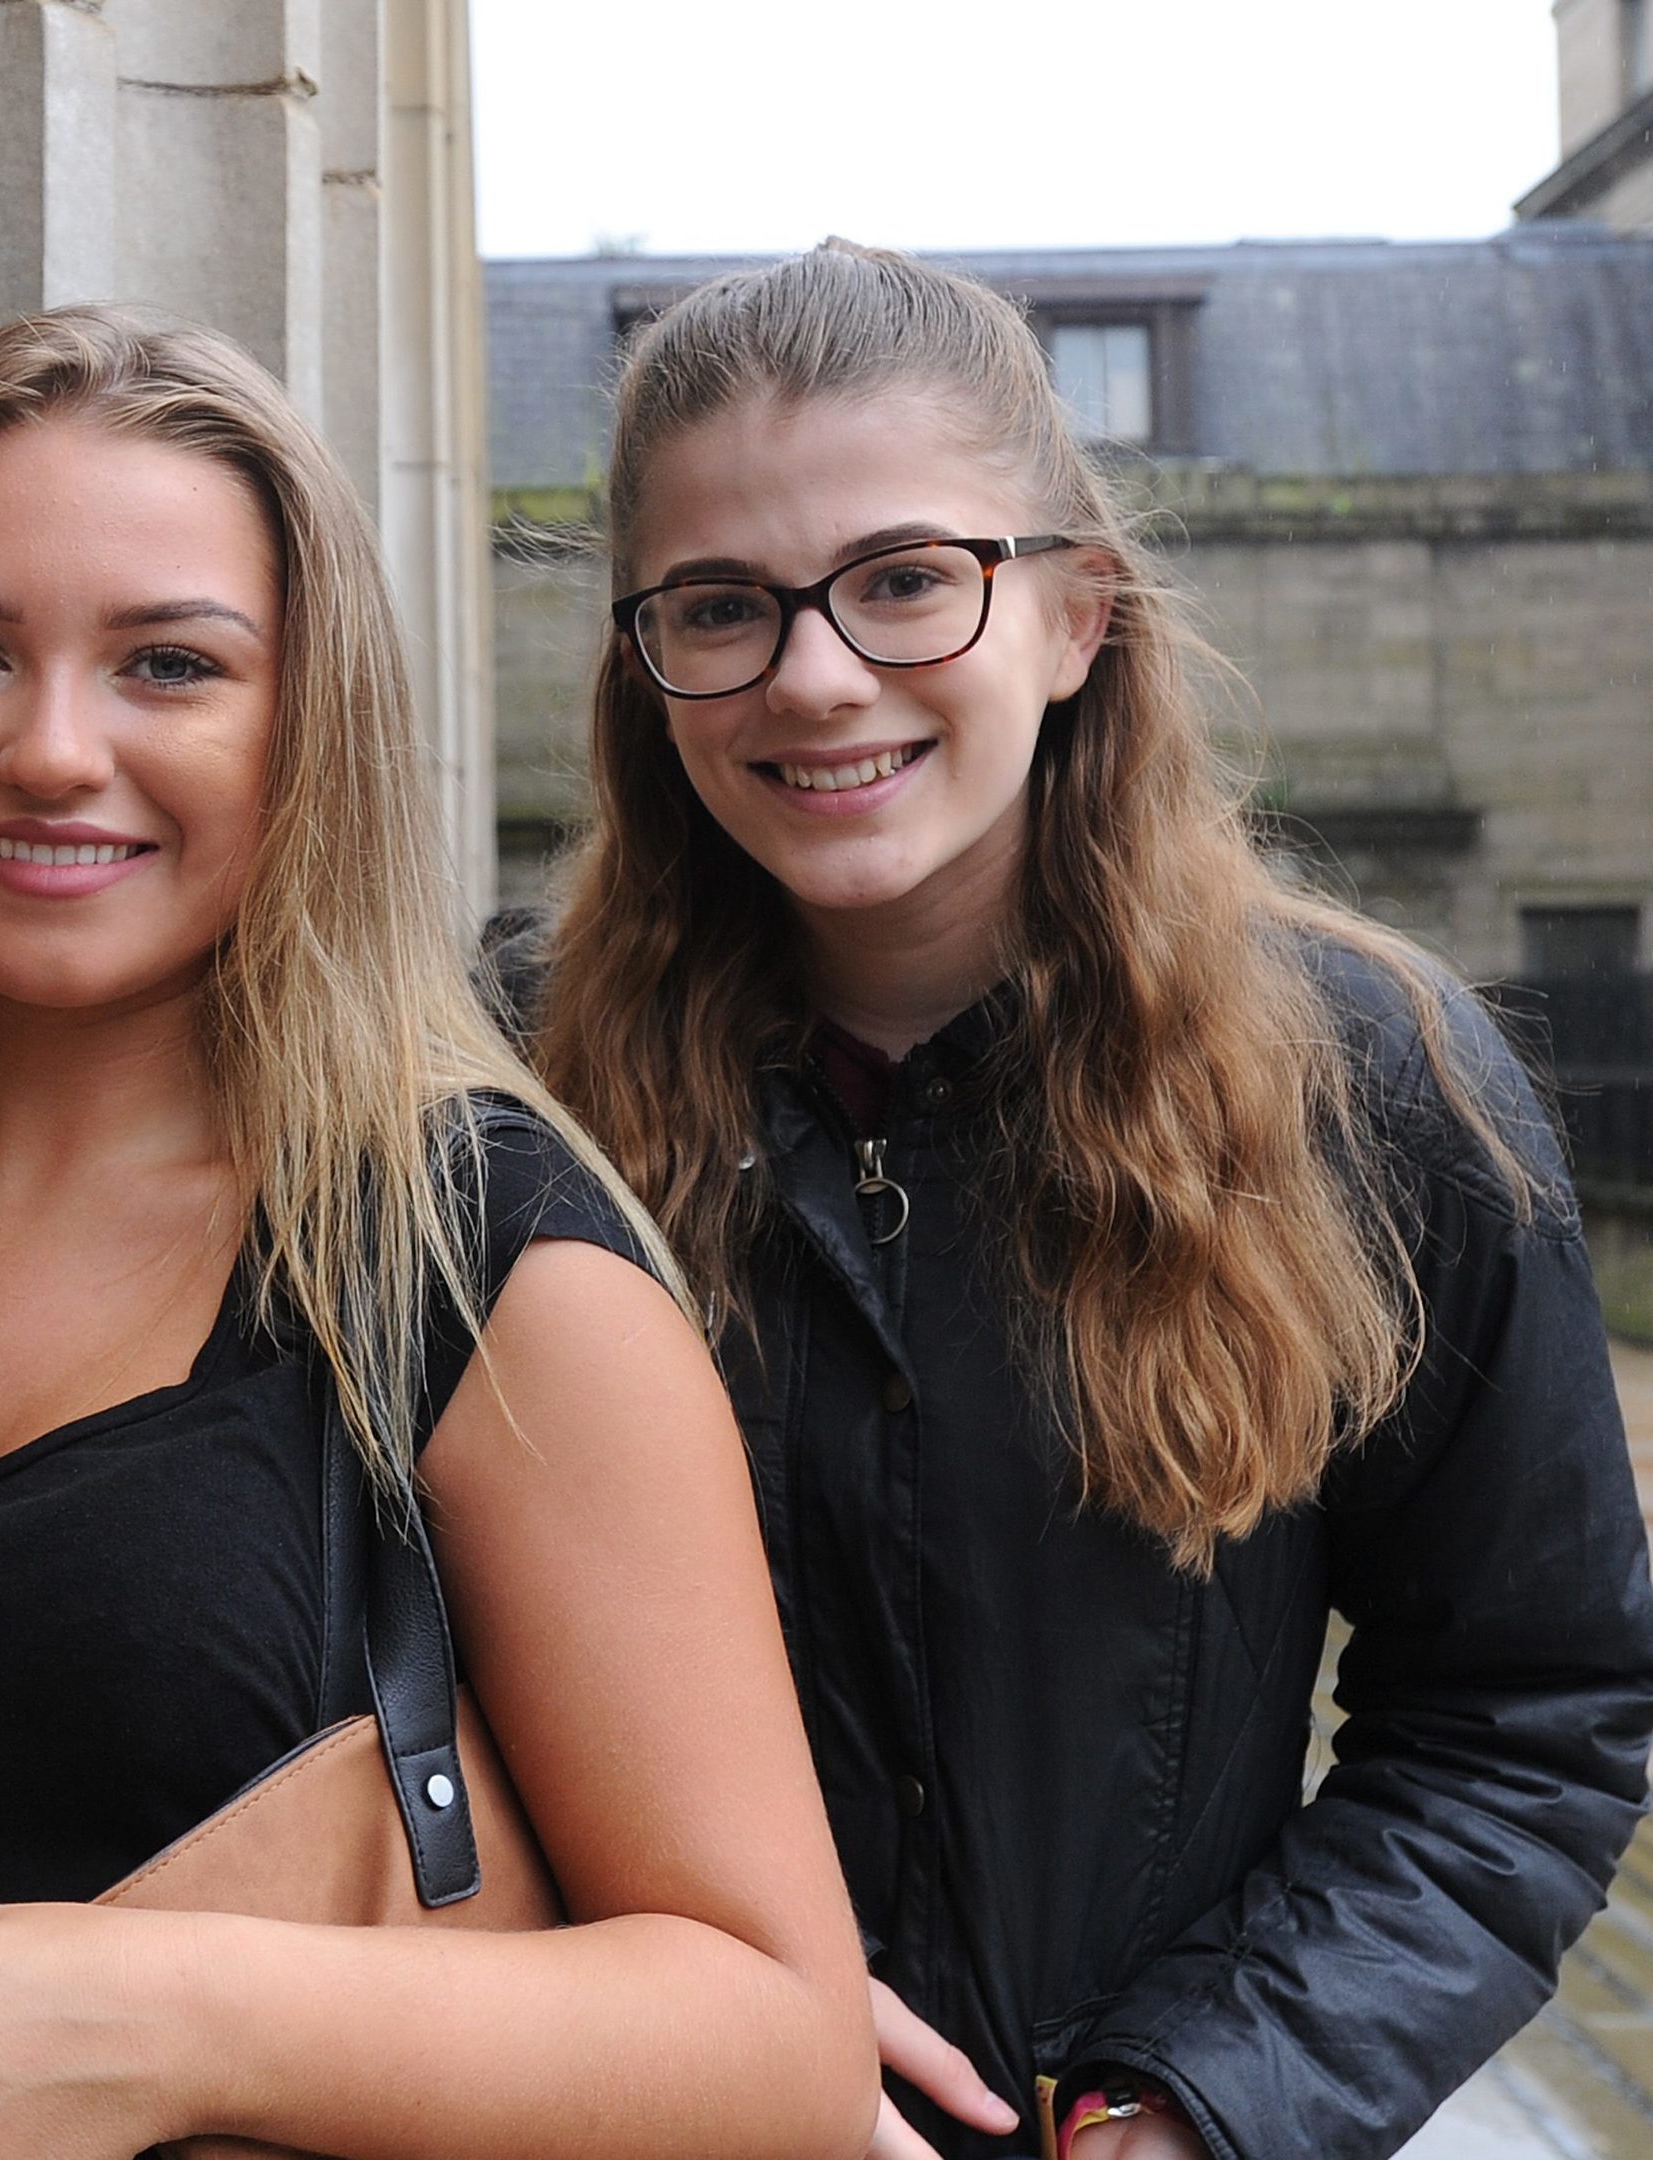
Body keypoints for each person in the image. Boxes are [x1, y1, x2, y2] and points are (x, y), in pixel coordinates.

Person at [0, 306, 877, 2160]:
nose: (54, 749)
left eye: (168, 664)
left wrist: (167, 2017)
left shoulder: (478, 1259)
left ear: (306, 724)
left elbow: (782, 2051)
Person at [507, 240, 1653, 2160]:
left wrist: (1199, 2107)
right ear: (648, 660)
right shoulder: (501, 1094)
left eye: (904, 583)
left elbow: (1522, 1714)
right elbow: (360, 1672)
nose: (812, 676)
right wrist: (695, 2018)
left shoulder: (1374, 1086)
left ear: (1076, 614)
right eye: (721, 605)